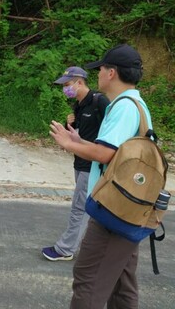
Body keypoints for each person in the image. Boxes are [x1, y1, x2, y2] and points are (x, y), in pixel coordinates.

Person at [49, 44, 150, 308]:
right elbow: (115, 150)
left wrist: (69, 144)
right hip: (128, 209)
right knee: (121, 283)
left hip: (112, 209)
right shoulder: (134, 103)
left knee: (88, 280)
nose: (99, 74)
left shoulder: (124, 107)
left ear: (112, 73)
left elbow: (106, 153)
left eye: (101, 68)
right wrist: (80, 140)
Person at [42, 67, 109, 261]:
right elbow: (78, 133)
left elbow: (112, 129)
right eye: (64, 86)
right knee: (92, 207)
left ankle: (65, 249)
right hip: (79, 162)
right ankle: (97, 246)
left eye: (67, 85)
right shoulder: (79, 105)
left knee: (79, 208)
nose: (65, 89)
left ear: (80, 82)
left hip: (93, 164)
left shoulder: (100, 101)